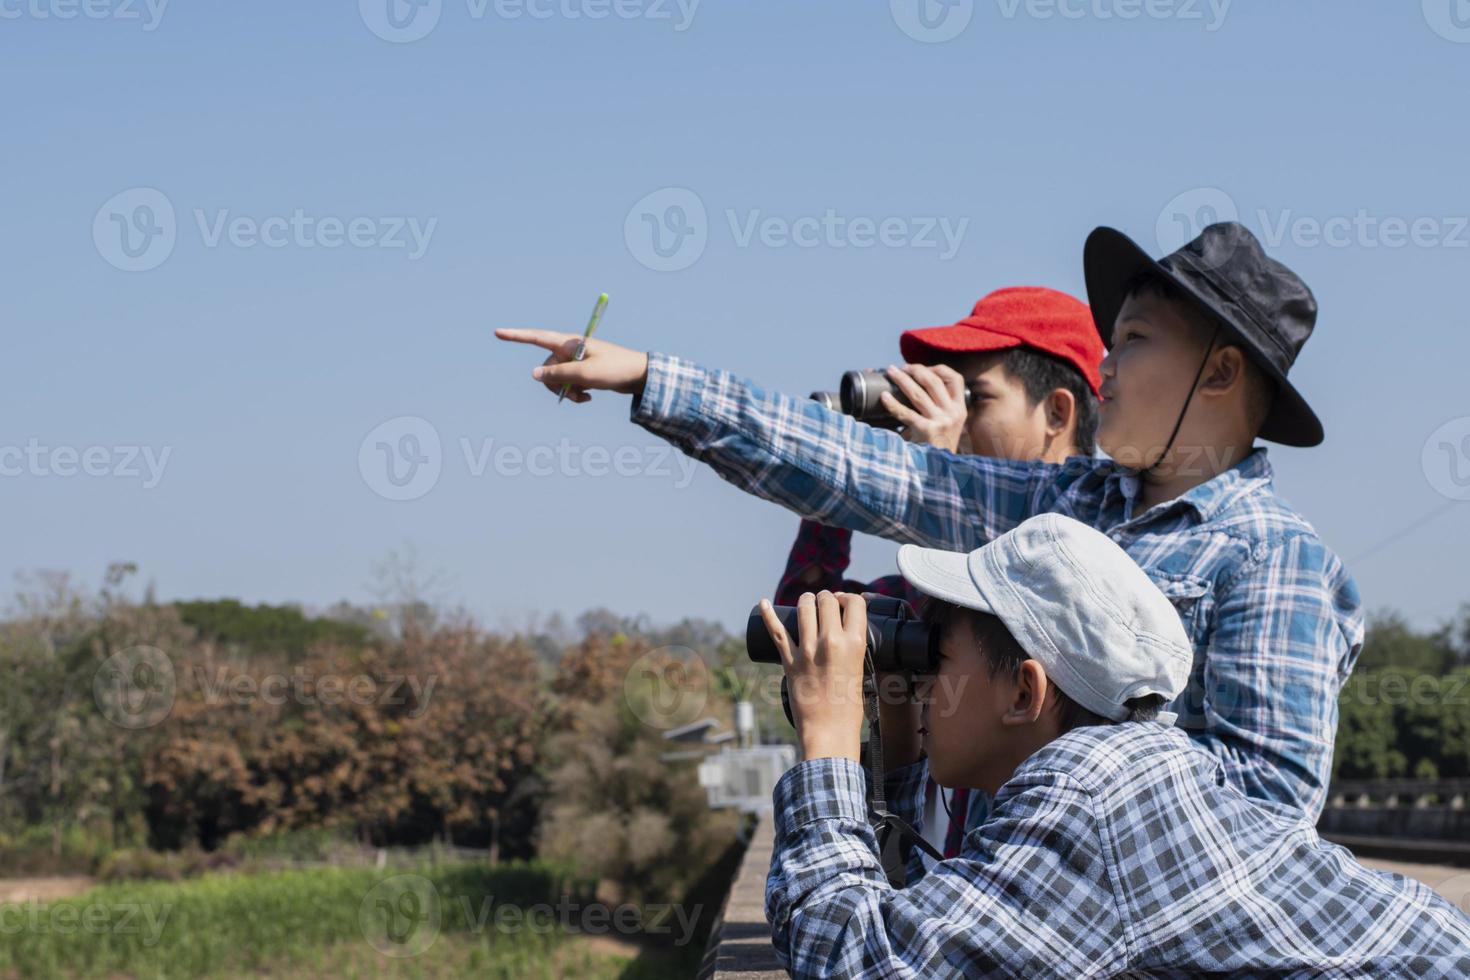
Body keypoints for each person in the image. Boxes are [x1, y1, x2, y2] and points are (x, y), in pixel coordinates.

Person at [495, 221, 1364, 820]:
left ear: (1218, 376)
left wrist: (1077, 757)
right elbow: (877, 475)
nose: (1105, 365)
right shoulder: (1067, 504)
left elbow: (1267, 808)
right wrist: (652, 378)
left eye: (1133, 339)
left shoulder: (1272, 560)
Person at [754, 515, 1470, 978]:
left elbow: (848, 953)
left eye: (936, 645)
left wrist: (828, 739)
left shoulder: (1088, 801)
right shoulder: (1117, 764)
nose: (920, 666)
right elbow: (932, 916)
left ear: (1024, 695)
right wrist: (898, 727)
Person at [774, 285, 1104, 858]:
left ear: (1057, 412)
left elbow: (1000, 603)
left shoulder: (1104, 561)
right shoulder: (921, 578)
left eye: (973, 399)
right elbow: (811, 621)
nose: (949, 416)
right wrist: (849, 473)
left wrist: (937, 476)